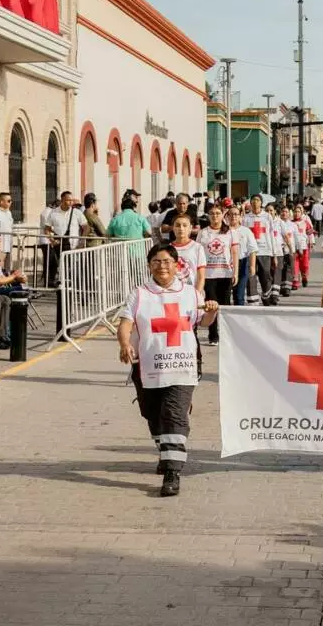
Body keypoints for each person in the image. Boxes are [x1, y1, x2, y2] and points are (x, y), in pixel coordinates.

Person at [116, 243, 218, 497]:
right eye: (156, 262)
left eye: (167, 261)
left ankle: (173, 470)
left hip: (182, 364)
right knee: (153, 413)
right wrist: (125, 344)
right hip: (147, 365)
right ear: (149, 266)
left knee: (174, 414)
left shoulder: (191, 293)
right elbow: (125, 323)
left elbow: (203, 322)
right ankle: (165, 451)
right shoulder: (139, 294)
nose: (162, 266)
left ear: (176, 265)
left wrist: (212, 311)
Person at [197, 204, 238, 346]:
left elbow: (235, 253)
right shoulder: (203, 233)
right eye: (212, 213)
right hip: (208, 275)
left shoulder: (230, 232)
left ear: (223, 215)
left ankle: (227, 335)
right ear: (208, 216)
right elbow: (198, 253)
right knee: (211, 306)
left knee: (225, 306)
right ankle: (213, 335)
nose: (215, 216)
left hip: (225, 274)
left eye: (218, 213)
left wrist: (235, 272)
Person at [43, 191, 87, 285]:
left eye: (72, 200)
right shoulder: (54, 212)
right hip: (59, 245)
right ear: (62, 200)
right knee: (62, 267)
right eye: (68, 200)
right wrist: (52, 240)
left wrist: (82, 241)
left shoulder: (76, 212)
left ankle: (76, 287)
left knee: (75, 267)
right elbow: (46, 229)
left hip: (74, 245)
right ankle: (63, 286)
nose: (71, 202)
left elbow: (86, 227)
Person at [243, 195, 278, 306]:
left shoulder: (267, 217)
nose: (255, 202)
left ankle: (266, 295)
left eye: (257, 200)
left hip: (265, 251)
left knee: (266, 275)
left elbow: (272, 235)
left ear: (261, 203)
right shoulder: (246, 218)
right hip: (250, 252)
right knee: (251, 275)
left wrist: (275, 254)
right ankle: (253, 300)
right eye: (253, 200)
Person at [291, 203, 314, 289]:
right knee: (295, 265)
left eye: (298, 212)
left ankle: (304, 277)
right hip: (294, 248)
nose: (296, 213)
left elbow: (310, 233)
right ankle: (295, 282)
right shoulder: (290, 223)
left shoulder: (305, 223)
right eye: (295, 212)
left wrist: (311, 243)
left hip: (304, 247)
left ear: (301, 213)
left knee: (305, 265)